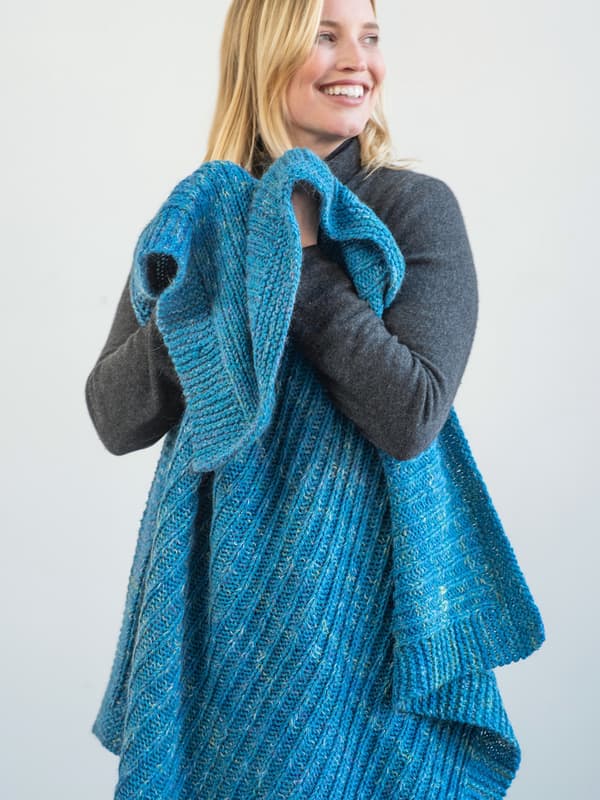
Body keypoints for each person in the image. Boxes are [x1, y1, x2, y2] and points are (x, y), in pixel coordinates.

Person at [86, 0, 490, 796]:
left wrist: (294, 256)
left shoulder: (414, 208)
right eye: (325, 37)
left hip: (366, 612)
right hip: (217, 606)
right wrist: (210, 289)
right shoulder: (198, 218)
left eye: (369, 37)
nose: (358, 61)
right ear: (264, 53)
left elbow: (411, 415)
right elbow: (114, 415)